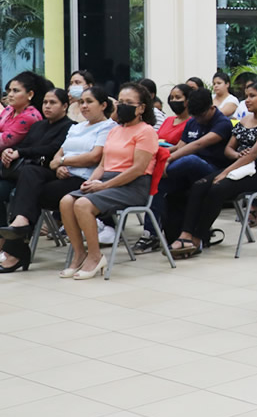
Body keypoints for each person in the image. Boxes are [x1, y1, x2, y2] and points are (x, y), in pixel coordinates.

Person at [0, 88, 115, 269]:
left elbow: (94, 157)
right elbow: (55, 158)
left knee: (29, 195)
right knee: (30, 172)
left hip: (84, 179)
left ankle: (15, 250)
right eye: (82, 102)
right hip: (63, 174)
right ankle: (19, 225)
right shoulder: (77, 127)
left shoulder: (108, 127)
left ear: (103, 105)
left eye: (89, 102)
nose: (84, 106)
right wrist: (60, 164)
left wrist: (63, 161)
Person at [168, 81, 257, 257]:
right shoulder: (245, 120)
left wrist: (224, 173)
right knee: (199, 186)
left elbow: (253, 155)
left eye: (252, 96)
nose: (247, 100)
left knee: (217, 188)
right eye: (246, 96)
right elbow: (228, 150)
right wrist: (237, 156)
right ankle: (185, 234)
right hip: (238, 167)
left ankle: (198, 238)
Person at [57, 83, 157, 280]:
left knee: (84, 204)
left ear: (141, 108)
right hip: (107, 180)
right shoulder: (114, 130)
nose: (122, 106)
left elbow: (137, 169)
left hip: (133, 185)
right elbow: (103, 165)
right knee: (66, 201)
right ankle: (79, 254)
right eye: (120, 102)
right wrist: (91, 182)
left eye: (129, 103)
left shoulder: (146, 131)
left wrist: (103, 185)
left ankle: (96, 257)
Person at [132, 89, 233, 254]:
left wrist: (169, 160)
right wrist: (157, 155)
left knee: (190, 159)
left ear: (211, 108)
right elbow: (180, 146)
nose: (198, 120)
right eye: (195, 116)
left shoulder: (222, 123)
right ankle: (150, 234)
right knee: (159, 185)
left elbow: (198, 145)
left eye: (201, 115)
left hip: (212, 170)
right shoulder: (193, 121)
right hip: (187, 170)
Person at [0, 89, 74, 234]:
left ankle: (19, 225)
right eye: (45, 102)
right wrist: (9, 152)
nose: (47, 106)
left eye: (52, 102)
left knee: (29, 175)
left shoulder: (70, 126)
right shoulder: (38, 126)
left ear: (64, 106)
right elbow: (24, 145)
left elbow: (52, 148)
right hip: (23, 172)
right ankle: (3, 234)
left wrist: (20, 152)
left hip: (48, 172)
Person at [1, 72, 47, 150]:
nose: (10, 95)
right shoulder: (10, 109)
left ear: (30, 95)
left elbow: (4, 141)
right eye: (10, 90)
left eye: (15, 91)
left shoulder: (30, 116)